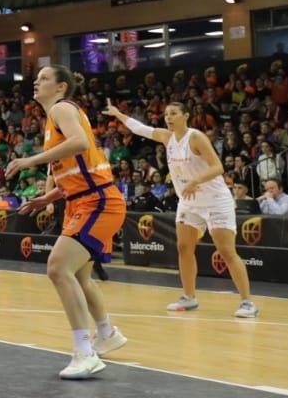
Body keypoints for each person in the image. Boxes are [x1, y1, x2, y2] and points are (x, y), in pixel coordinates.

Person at [9, 66, 127, 379]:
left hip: (98, 201)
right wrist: (48, 199)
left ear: (61, 87)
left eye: (44, 78)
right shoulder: (54, 117)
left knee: (58, 268)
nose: (36, 81)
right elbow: (78, 168)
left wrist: (30, 160)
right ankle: (107, 333)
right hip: (83, 200)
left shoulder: (62, 108)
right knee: (79, 276)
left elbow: (80, 144)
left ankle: (85, 353)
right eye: (36, 78)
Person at [105, 101, 257, 317]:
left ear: (186, 116)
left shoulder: (195, 137)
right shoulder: (167, 137)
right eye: (166, 114)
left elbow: (218, 167)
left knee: (226, 251)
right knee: (184, 247)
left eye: (174, 113)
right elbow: (140, 128)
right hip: (189, 200)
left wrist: (196, 180)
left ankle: (247, 302)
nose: (168, 117)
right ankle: (189, 298)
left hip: (214, 199)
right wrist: (117, 114)